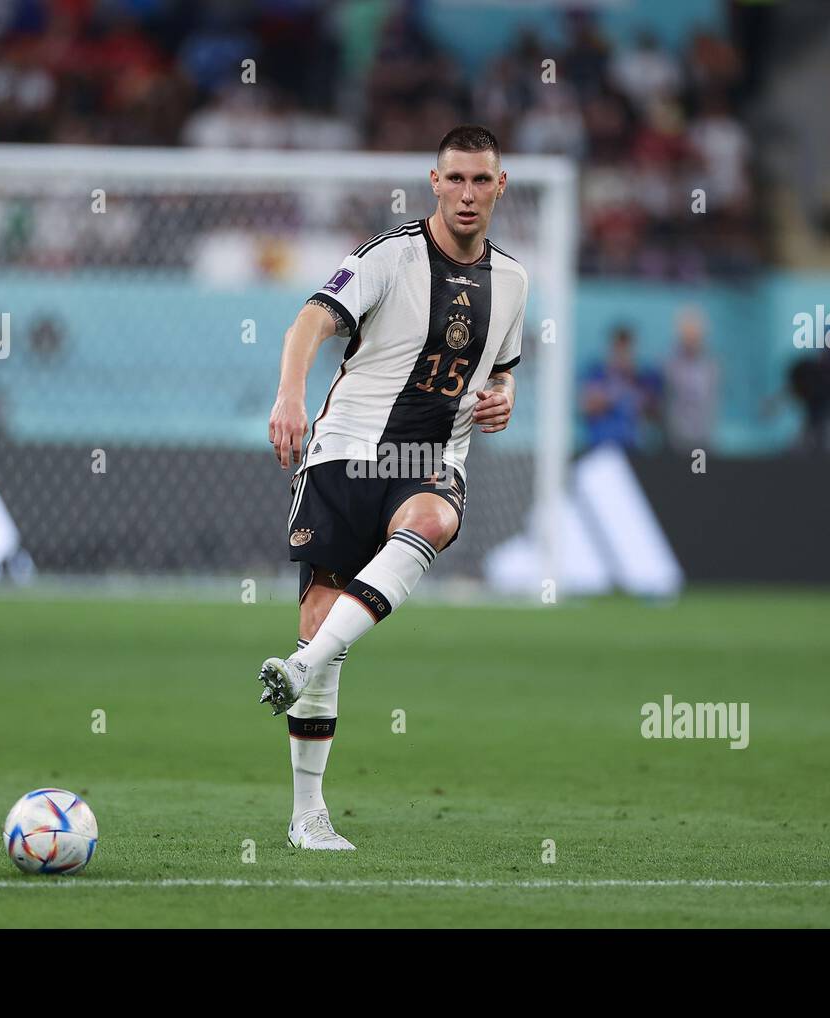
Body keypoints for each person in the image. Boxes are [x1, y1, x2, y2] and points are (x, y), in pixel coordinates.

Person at [260, 125, 527, 850]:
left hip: (430, 458)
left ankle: (304, 666)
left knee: (435, 519)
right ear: (433, 184)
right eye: (456, 180)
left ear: (500, 187)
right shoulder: (391, 254)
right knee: (321, 621)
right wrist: (290, 395)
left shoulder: (515, 281)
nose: (469, 194)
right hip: (346, 451)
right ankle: (306, 815)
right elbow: (310, 321)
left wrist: (502, 394)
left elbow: (500, 368)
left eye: (482, 181)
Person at [581, 325, 660, 451]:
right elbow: (587, 406)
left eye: (626, 349)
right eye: (619, 348)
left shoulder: (642, 378)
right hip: (602, 449)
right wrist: (613, 393)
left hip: (633, 450)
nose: (622, 354)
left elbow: (654, 413)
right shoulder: (598, 373)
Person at [662, 307, 718, 453]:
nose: (691, 339)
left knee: (699, 473)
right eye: (687, 334)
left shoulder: (711, 366)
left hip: (702, 439)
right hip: (676, 439)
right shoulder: (670, 365)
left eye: (694, 334)